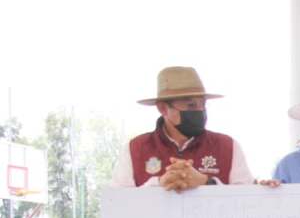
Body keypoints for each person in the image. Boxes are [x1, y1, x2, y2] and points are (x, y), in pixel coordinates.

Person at [112, 66, 261, 190]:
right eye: (191, 105)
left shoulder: (228, 146)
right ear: (163, 108)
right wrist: (160, 184)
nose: (200, 111)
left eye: (203, 104)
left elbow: (247, 199)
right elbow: (118, 204)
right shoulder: (135, 149)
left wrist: (206, 183)